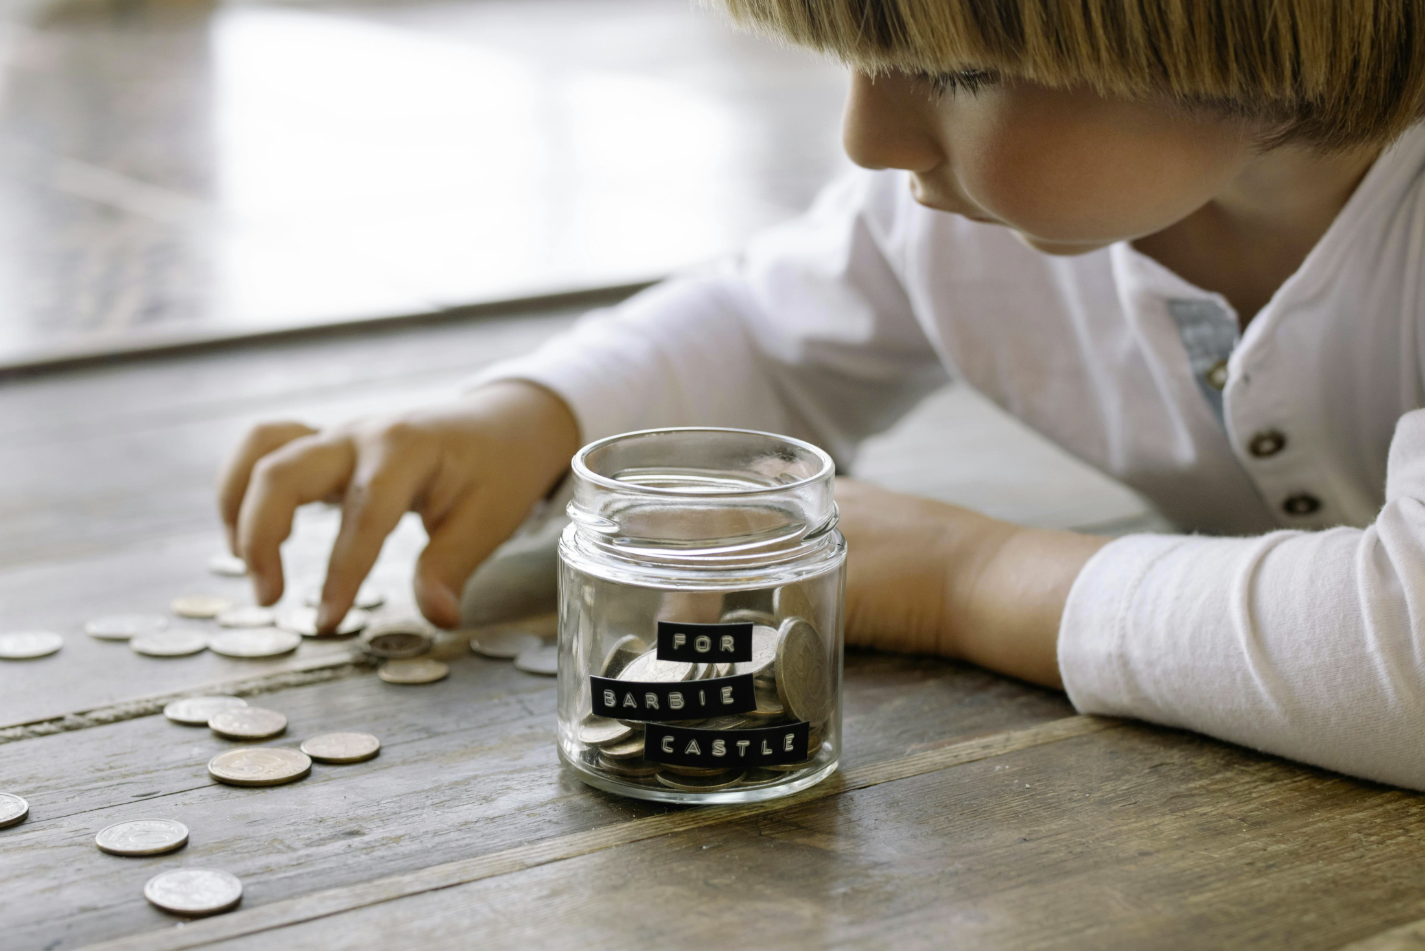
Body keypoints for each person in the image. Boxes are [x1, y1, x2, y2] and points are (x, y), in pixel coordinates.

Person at [218, 0, 1425, 789]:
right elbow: (765, 328)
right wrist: (531, 412)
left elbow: (1404, 656)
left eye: (948, 68)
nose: (863, 135)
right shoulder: (957, 223)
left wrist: (971, 578)